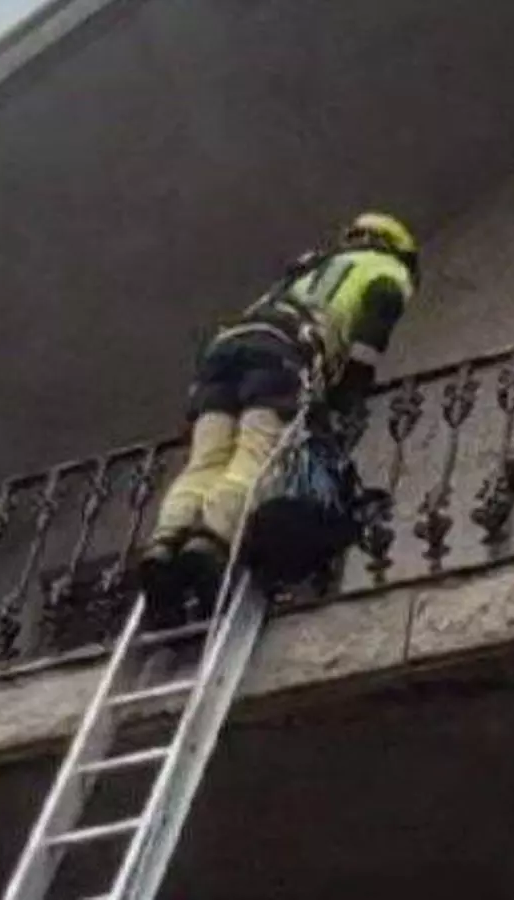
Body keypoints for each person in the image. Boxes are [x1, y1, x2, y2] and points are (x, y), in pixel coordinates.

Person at [137, 211, 419, 629]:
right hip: (282, 353)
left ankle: (164, 544)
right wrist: (347, 395)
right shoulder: (386, 271)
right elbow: (369, 337)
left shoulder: (307, 268)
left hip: (224, 352)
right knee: (256, 452)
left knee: (206, 460)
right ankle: (210, 542)